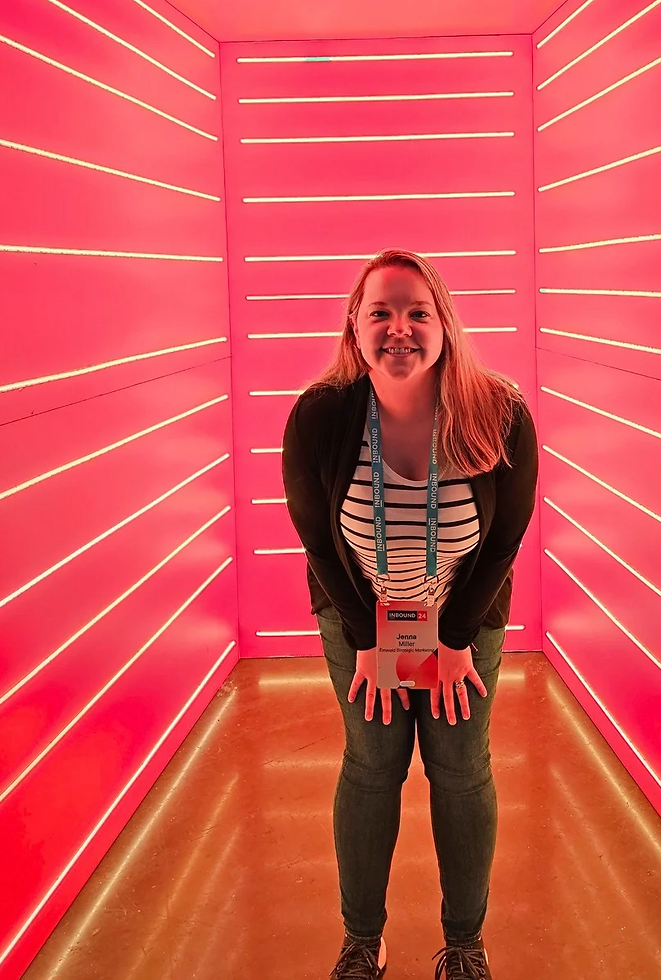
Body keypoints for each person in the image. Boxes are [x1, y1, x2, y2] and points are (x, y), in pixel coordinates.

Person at [281, 248, 538, 980]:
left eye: (417, 312)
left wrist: (454, 642)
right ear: (354, 328)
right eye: (381, 313)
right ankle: (363, 941)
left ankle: (465, 946)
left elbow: (504, 540)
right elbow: (317, 542)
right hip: (360, 615)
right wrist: (367, 640)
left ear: (445, 324)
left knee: (460, 770)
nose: (400, 328)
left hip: (463, 614)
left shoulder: (500, 413)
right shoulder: (320, 417)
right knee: (372, 765)